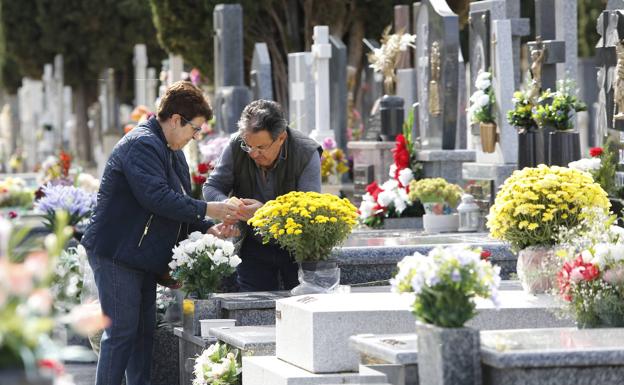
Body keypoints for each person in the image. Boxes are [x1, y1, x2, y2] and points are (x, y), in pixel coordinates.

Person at [80, 81, 239, 385]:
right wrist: (209, 210)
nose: (195, 136)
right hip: (117, 252)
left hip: (141, 255)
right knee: (122, 332)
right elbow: (157, 198)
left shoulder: (171, 149)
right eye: (195, 129)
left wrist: (210, 227)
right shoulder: (142, 143)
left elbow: (177, 205)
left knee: (143, 334)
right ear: (176, 119)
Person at [203, 99, 322, 292]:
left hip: (296, 248)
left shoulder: (306, 152)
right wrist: (227, 205)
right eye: (248, 146)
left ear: (281, 138)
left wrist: (265, 213)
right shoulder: (236, 145)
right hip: (252, 245)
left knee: (299, 307)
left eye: (261, 148)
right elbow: (212, 186)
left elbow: (309, 212)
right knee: (252, 308)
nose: (253, 154)